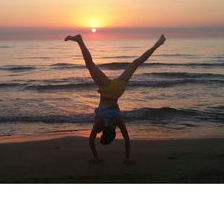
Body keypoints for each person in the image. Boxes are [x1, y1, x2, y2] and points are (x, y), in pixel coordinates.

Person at [65, 34, 166, 164]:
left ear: (113, 133)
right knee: (89, 64)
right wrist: (96, 157)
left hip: (118, 90)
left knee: (136, 63)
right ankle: (80, 41)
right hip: (107, 89)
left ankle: (157, 45)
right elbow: (90, 140)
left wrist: (127, 158)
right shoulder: (99, 122)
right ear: (103, 133)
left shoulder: (117, 121)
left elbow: (127, 139)